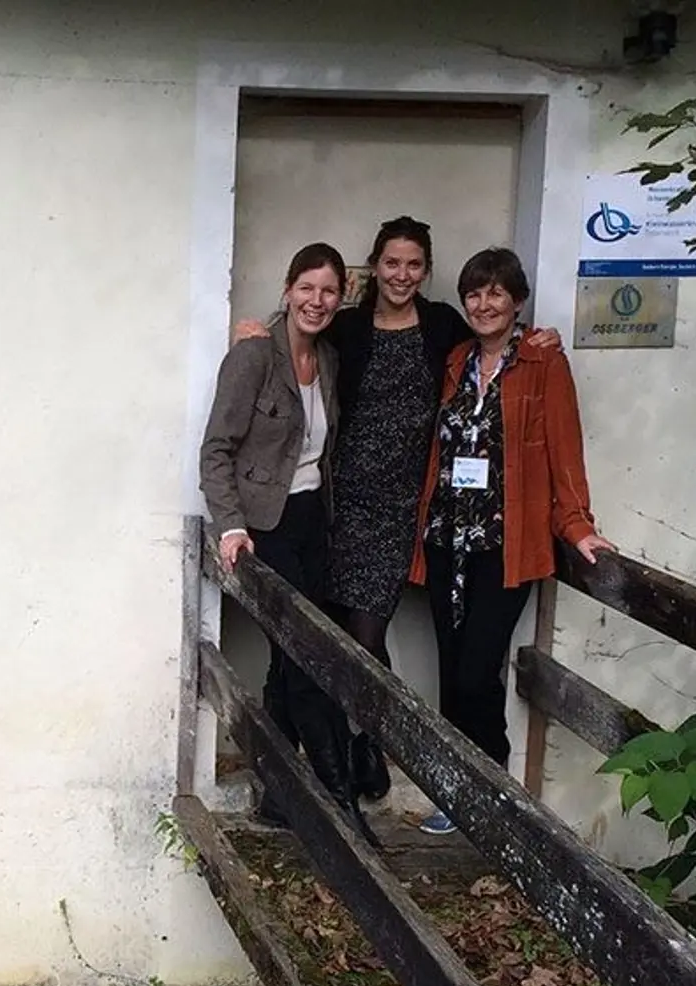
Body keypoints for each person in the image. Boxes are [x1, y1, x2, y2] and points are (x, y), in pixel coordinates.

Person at [233, 217, 561, 803]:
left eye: (413, 265)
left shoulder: (442, 326)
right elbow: (297, 344)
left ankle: (367, 739)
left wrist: (542, 339)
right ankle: (337, 749)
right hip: (336, 504)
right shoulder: (350, 326)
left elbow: (497, 343)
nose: (401, 274)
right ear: (375, 267)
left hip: (401, 509)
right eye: (391, 263)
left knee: (364, 633)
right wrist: (254, 330)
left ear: (426, 271)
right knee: (320, 633)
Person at [409, 247, 614, 834]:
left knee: (478, 672)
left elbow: (563, 449)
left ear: (516, 300)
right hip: (447, 539)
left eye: (496, 292)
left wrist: (577, 525)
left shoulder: (542, 362)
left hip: (506, 546)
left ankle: (492, 787)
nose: (483, 303)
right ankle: (454, 792)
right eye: (474, 293)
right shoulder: (455, 360)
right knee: (451, 673)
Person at [200, 242, 379, 847]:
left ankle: (278, 795)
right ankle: (339, 799)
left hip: (309, 520)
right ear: (287, 289)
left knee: (288, 659)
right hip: (261, 525)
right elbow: (217, 448)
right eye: (307, 288)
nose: (317, 300)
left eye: (329, 291)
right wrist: (230, 524)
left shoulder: (326, 358)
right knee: (308, 656)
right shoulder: (254, 354)